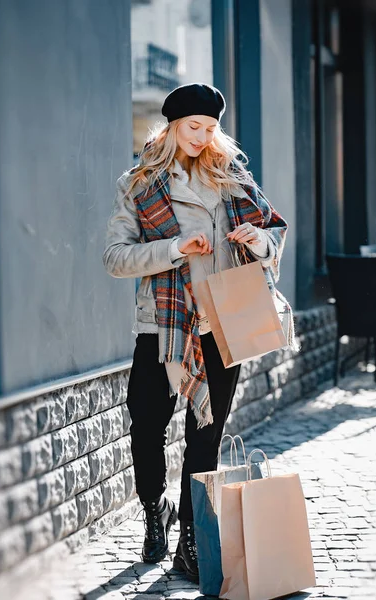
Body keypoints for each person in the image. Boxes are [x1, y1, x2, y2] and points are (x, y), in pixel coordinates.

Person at [103, 83, 293, 583]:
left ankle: (191, 540)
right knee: (146, 426)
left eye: (211, 129)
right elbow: (115, 258)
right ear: (171, 126)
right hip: (163, 327)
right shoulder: (139, 184)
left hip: (224, 322)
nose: (202, 136)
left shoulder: (230, 176)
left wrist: (256, 240)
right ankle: (154, 509)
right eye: (193, 127)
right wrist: (172, 248)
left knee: (205, 437)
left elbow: (274, 231)